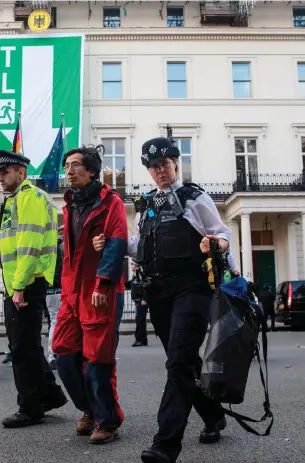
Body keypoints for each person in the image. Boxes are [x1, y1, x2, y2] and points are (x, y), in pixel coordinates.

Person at [94, 136, 231, 462]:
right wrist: (109, 242)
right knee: (185, 364)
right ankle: (213, 415)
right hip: (159, 294)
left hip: (192, 290)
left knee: (179, 363)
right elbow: (139, 247)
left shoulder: (195, 198)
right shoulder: (147, 204)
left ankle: (165, 445)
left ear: (175, 164)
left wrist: (215, 244)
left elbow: (223, 234)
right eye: (153, 167)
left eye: (164, 165)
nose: (159, 171)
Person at [52, 145, 128, 445]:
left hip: (100, 292)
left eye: (75, 166)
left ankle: (107, 420)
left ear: (92, 171)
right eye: (67, 166)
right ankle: (89, 408)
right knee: (63, 353)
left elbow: (117, 243)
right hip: (72, 293)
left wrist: (103, 284)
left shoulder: (111, 202)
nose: (68, 171)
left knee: (98, 359)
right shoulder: (69, 205)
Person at [0, 148, 67, 429]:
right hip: (19, 283)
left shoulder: (31, 198)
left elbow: (30, 245)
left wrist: (20, 286)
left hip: (26, 283)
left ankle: (30, 408)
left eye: (4, 172)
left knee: (22, 348)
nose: (0, 177)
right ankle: (49, 395)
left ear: (20, 173)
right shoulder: (15, 199)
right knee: (28, 345)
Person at [46, 225, 64, 370]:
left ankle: (53, 354)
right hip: (62, 288)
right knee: (59, 321)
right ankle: (56, 354)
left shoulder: (48, 245)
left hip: (48, 289)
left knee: (53, 320)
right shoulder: (64, 246)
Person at [130, 263, 149, 347]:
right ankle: (144, 339)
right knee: (141, 320)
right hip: (138, 301)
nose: (131, 266)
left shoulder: (140, 274)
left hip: (140, 301)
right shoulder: (135, 275)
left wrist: (144, 299)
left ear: (136, 266)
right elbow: (131, 284)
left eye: (132, 264)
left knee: (140, 320)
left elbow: (145, 287)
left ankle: (139, 339)